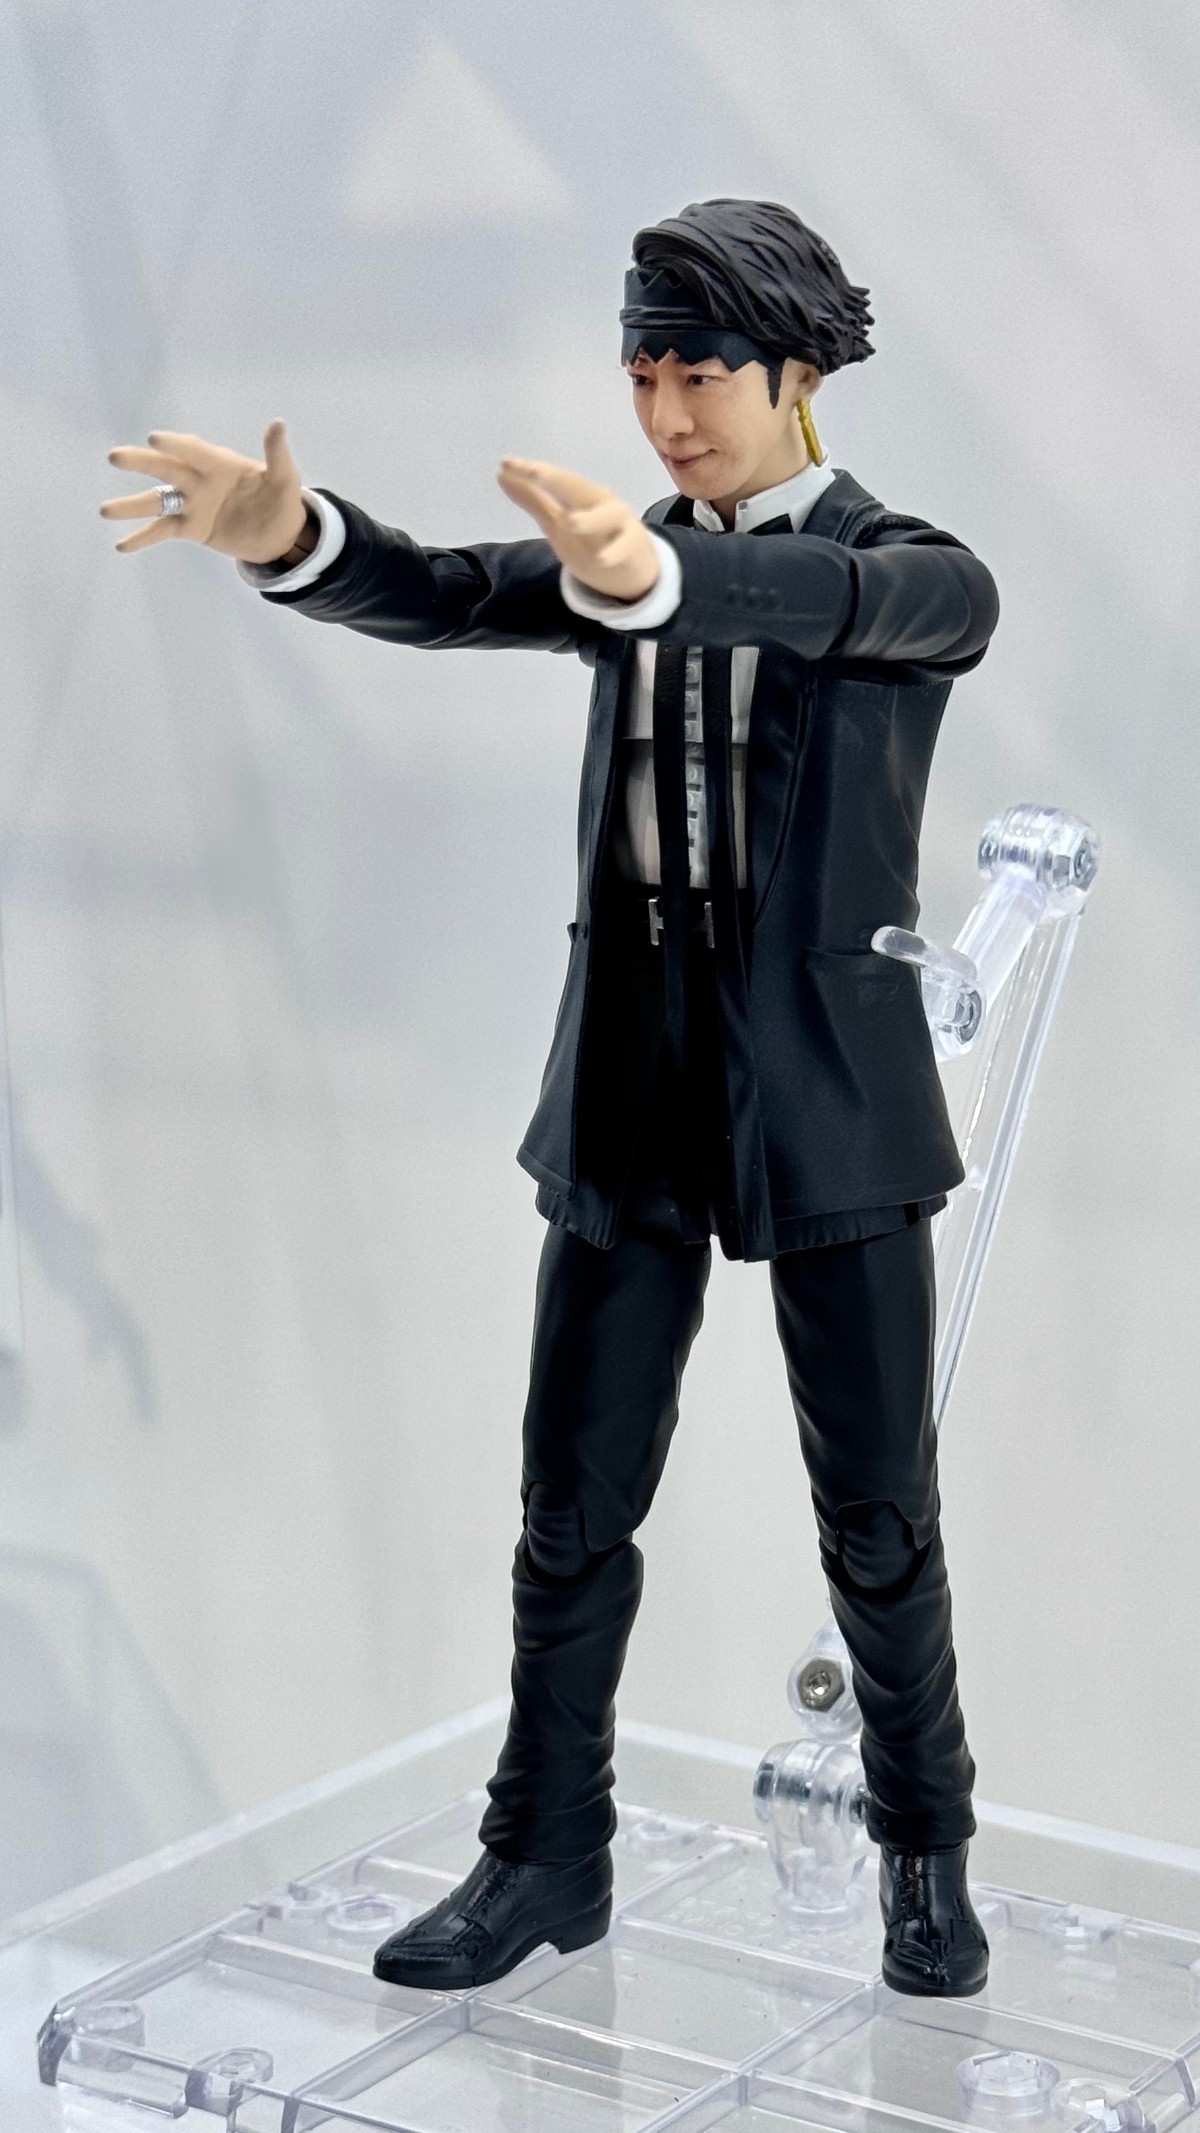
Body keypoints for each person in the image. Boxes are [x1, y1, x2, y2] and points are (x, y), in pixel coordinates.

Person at [100, 197, 999, 1999]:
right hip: (629, 1086)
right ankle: (545, 1848)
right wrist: (292, 536)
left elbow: (841, 608)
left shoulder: (913, 568)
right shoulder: (617, 558)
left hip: (829, 1097)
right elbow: (446, 590)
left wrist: (656, 588)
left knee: (879, 1518)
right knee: (570, 1511)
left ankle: (926, 1849)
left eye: (700, 375)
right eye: (642, 374)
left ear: (796, 376)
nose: (665, 414)